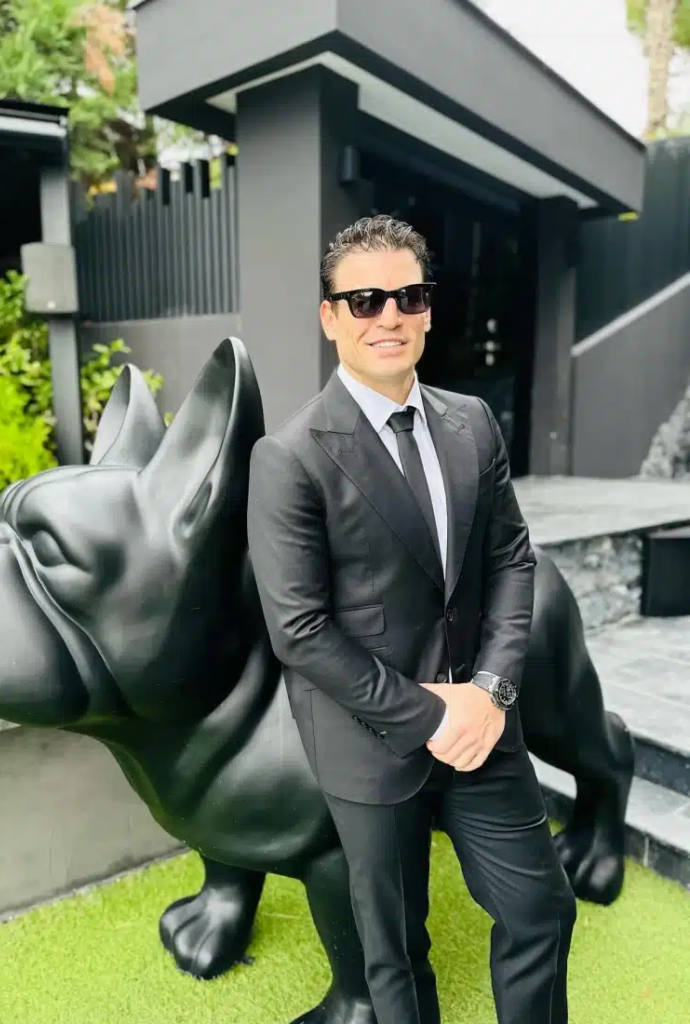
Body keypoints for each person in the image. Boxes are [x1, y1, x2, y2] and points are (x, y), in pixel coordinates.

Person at [246, 215, 576, 1024]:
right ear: (330, 317)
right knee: (394, 952)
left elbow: (511, 560)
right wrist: (433, 714)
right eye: (364, 300)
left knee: (540, 910)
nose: (387, 316)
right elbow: (299, 630)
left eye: (408, 296)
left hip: (483, 727)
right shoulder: (289, 455)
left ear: (428, 309)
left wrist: (489, 692)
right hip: (369, 742)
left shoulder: (473, 422)